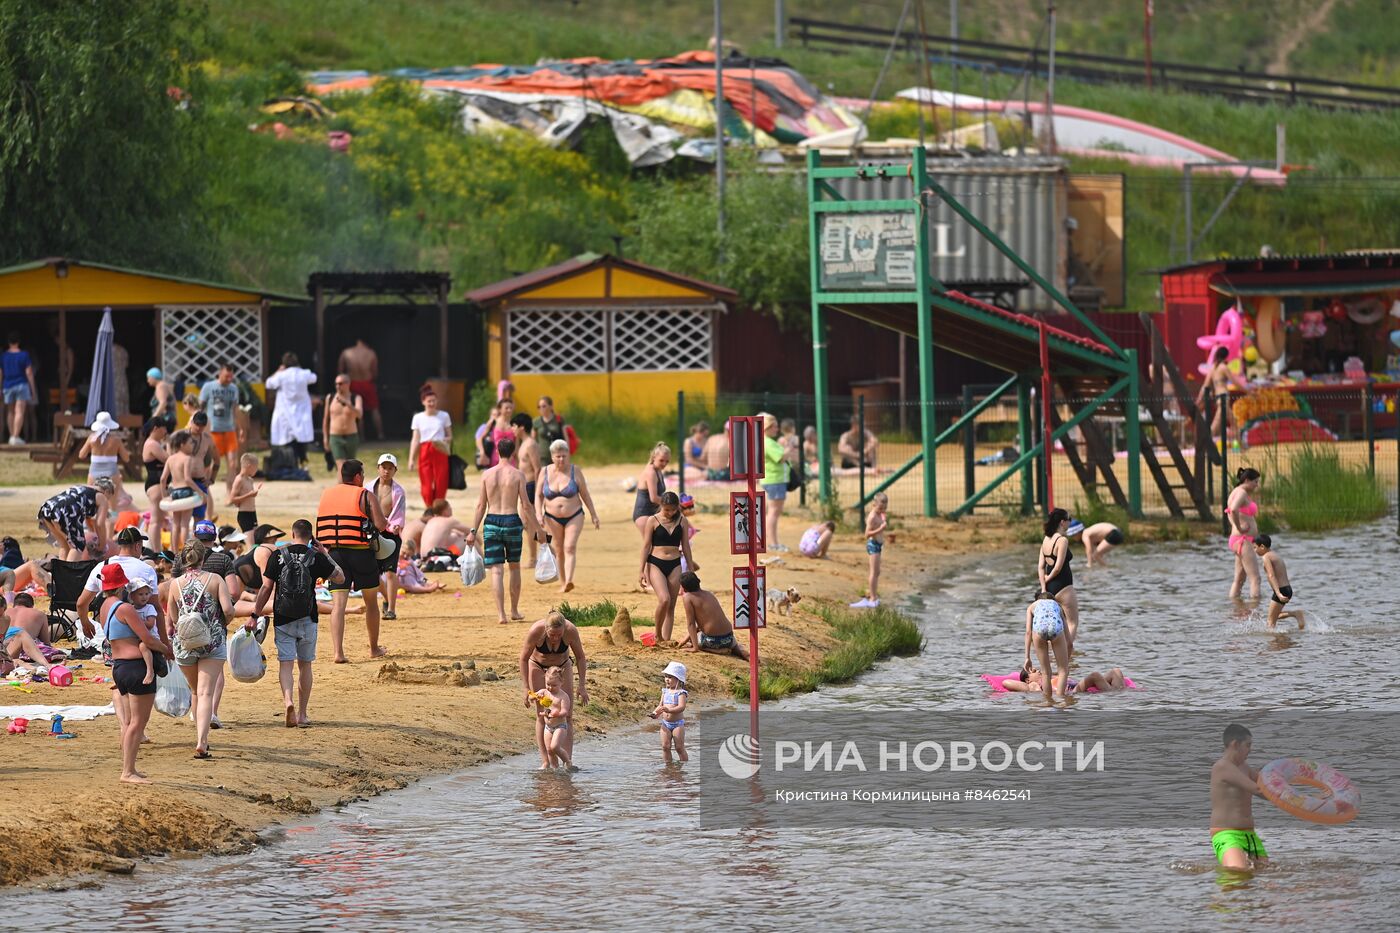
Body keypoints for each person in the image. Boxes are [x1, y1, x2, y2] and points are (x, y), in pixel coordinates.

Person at [249, 519, 344, 728]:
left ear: (292, 535)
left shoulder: (278, 555)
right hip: (308, 617)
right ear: (310, 537)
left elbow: (265, 588)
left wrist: (254, 616)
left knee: (286, 664)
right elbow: (340, 578)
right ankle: (302, 714)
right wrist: (325, 553)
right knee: (305, 665)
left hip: (283, 617)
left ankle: (288, 701)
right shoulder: (316, 556)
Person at [97, 568, 172, 784]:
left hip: (119, 666)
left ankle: (130, 768)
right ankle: (127, 771)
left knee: (130, 722)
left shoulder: (104, 607)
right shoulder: (126, 608)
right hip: (136, 667)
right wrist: (167, 650)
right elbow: (147, 639)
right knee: (138, 723)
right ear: (121, 587)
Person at [316, 459, 389, 663]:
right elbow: (381, 525)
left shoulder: (326, 494)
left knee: (338, 606)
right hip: (361, 553)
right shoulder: (365, 494)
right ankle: (374, 649)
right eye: (363, 476)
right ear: (357, 476)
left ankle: (338, 653)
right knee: (371, 603)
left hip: (335, 555)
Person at [167, 540, 235, 759]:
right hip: (211, 640)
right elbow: (228, 609)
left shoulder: (175, 584)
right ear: (203, 558)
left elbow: (172, 618)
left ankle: (199, 737)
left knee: (196, 691)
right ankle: (202, 742)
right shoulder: (215, 579)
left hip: (184, 644)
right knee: (206, 692)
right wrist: (222, 623)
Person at [468, 437, 545, 625]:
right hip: (512, 521)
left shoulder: (487, 474)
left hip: (492, 521)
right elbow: (526, 506)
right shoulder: (518, 475)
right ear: (513, 453)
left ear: (497, 450)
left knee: (496, 571)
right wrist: (538, 529)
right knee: (514, 566)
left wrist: (472, 530)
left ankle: (501, 614)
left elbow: (480, 505)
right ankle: (514, 610)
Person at [75, 525, 163, 654]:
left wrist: (85, 623)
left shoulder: (101, 567)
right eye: (142, 548)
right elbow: (156, 608)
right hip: (139, 641)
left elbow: (81, 603)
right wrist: (165, 644)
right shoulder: (146, 569)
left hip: (112, 642)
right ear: (137, 546)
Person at [519, 611, 588, 765]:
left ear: (564, 628)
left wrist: (582, 686)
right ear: (546, 629)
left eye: (559, 634)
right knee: (542, 715)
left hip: (562, 667)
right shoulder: (536, 631)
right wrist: (525, 688)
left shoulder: (571, 631)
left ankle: (567, 761)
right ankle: (545, 762)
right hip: (537, 665)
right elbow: (523, 658)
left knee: (568, 715)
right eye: (552, 635)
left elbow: (581, 657)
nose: (556, 638)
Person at [535, 438, 600, 594]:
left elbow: (585, 494)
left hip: (574, 514)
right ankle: (563, 582)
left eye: (564, 455)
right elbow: (538, 495)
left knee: (569, 546)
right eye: (558, 456)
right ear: (552, 457)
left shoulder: (575, 471)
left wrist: (593, 514)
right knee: (558, 548)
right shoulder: (545, 472)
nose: (561, 459)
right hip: (551, 516)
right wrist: (538, 513)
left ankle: (569, 580)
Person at [639, 492, 696, 644]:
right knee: (664, 600)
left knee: (671, 605)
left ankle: (666, 640)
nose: (670, 513)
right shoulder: (652, 520)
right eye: (667, 510)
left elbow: (685, 546)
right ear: (661, 507)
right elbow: (646, 546)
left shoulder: (682, 520)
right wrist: (641, 570)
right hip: (655, 562)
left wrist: (690, 568)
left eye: (673, 510)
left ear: (678, 507)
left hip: (675, 563)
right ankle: (658, 635)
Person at [1210, 723, 1269, 871]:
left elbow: (1269, 790)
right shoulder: (1222, 766)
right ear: (1235, 744)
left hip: (1249, 835)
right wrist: (1289, 798)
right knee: (1238, 871)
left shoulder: (1245, 767)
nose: (1250, 750)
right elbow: (1257, 788)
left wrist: (1304, 801)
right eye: (1248, 745)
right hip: (1227, 834)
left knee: (1266, 873)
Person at [38, 476, 114, 561]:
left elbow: (89, 520)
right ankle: (70, 573)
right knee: (77, 546)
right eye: (110, 497)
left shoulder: (83, 489)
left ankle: (59, 573)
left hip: (48, 508)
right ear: (107, 491)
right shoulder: (102, 497)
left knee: (65, 545)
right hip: (67, 510)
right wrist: (102, 546)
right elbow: (100, 524)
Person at [370, 453, 407, 620]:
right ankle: (385, 598)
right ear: (378, 468)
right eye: (384, 467)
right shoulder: (369, 488)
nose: (386, 471)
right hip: (372, 532)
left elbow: (399, 513)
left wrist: (394, 526)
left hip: (391, 532)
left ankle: (391, 609)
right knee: (373, 572)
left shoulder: (398, 491)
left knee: (390, 572)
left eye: (390, 468)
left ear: (395, 470)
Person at [1037, 508, 1080, 651]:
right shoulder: (1062, 540)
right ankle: (1067, 654)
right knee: (1072, 622)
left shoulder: (1046, 539)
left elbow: (1041, 567)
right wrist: (1049, 577)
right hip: (1064, 587)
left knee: (1057, 623)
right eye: (1069, 520)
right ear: (1062, 522)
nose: (1070, 523)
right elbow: (1058, 567)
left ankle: (1053, 652)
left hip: (1049, 589)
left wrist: (1044, 587)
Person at [677, 572, 748, 659]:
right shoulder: (709, 594)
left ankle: (715, 650)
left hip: (713, 641)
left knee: (693, 639)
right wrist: (685, 639)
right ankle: (738, 650)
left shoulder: (688, 597)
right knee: (732, 644)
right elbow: (703, 624)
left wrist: (694, 647)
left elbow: (691, 624)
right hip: (729, 638)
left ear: (683, 587)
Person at [158, 430, 208, 552]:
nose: (192, 445)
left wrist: (164, 495)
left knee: (175, 524)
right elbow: (188, 479)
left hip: (175, 492)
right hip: (186, 492)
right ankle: (186, 552)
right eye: (190, 443)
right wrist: (201, 493)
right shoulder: (187, 458)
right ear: (182, 444)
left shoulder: (170, 459)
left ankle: (175, 552)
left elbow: (163, 479)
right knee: (185, 524)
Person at [266, 353, 318, 466]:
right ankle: (302, 458)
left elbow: (269, 384)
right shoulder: (303, 374)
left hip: (285, 412)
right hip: (301, 411)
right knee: (300, 437)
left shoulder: (282, 375)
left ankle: (291, 461)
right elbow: (314, 378)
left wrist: (278, 371)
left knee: (287, 438)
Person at [199, 363, 242, 492]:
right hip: (213, 430)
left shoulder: (234, 388)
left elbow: (235, 410)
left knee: (233, 464)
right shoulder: (209, 387)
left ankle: (230, 493)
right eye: (226, 376)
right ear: (220, 373)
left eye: (231, 376)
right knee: (212, 463)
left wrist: (240, 428)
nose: (229, 379)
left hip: (229, 429)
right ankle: (205, 491)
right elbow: (200, 407)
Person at [1022, 589, 1071, 702]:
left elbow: (1028, 632)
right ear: (1052, 599)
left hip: (1039, 630)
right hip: (1056, 628)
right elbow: (1069, 641)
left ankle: (1048, 703)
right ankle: (1061, 702)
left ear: (1038, 599)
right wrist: (1066, 659)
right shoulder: (1057, 606)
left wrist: (1027, 657)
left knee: (1045, 672)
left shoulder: (1032, 606)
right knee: (1063, 671)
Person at [407, 387, 452, 507]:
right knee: (426, 483)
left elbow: (450, 436)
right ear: (423, 402)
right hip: (425, 450)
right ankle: (429, 507)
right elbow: (415, 439)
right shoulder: (418, 418)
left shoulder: (444, 416)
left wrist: (444, 441)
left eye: (434, 401)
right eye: (429, 401)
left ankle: (439, 507)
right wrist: (411, 459)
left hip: (440, 448)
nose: (431, 403)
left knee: (441, 481)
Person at [1196, 347, 1247, 444]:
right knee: (1217, 423)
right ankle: (1205, 443)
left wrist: (1199, 399)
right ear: (1225, 356)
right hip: (1224, 397)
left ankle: (1241, 444)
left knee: (1233, 421)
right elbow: (1234, 381)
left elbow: (1205, 385)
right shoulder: (1223, 367)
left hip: (1218, 398)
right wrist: (1246, 390)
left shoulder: (1213, 369)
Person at [1254, 535, 1304, 630]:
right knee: (1274, 616)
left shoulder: (1266, 557)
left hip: (1281, 591)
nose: (1255, 550)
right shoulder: (1274, 554)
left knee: (1270, 623)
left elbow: (1271, 575)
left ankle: (1273, 643)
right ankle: (1296, 614)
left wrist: (1278, 593)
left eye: (1255, 547)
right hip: (1287, 589)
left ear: (1262, 547)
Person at [1226, 468, 1263, 599]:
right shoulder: (1241, 493)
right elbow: (1234, 510)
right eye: (1255, 482)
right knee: (1255, 578)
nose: (1257, 485)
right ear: (1247, 480)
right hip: (1243, 540)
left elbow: (1229, 511)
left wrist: (1235, 527)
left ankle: (1235, 608)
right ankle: (1256, 613)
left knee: (1239, 579)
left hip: (1237, 539)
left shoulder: (1235, 492)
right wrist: (1240, 528)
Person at [511, 412, 541, 568]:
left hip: (531, 485)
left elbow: (537, 468)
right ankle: (549, 552)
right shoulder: (523, 443)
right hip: (524, 486)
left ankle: (534, 558)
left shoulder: (531, 444)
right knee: (527, 524)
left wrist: (537, 491)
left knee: (531, 524)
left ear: (521, 427)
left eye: (514, 426)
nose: (512, 429)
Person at [79, 411, 130, 504]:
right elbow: (126, 458)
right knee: (112, 503)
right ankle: (113, 516)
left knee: (91, 500)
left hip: (94, 471)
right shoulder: (116, 440)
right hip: (112, 471)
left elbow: (81, 455)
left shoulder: (92, 438)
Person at [338, 338, 383, 440]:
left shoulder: (346, 353)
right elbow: (375, 372)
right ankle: (380, 434)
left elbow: (340, 372)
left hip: (352, 382)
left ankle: (360, 436)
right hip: (367, 383)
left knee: (356, 409)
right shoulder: (371, 353)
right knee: (374, 409)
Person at [531, 666, 573, 769]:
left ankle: (567, 761)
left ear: (561, 682)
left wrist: (557, 713)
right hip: (548, 727)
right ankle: (555, 770)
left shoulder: (563, 696)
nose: (550, 687)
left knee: (555, 747)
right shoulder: (544, 692)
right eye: (548, 684)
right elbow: (531, 697)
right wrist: (535, 696)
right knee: (549, 750)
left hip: (560, 726)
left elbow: (565, 712)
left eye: (554, 685)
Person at [322, 373, 363, 477]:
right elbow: (326, 419)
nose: (337, 386)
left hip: (351, 436)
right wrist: (325, 438)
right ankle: (340, 491)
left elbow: (359, 414)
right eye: (336, 384)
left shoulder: (356, 398)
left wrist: (348, 404)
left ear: (348, 384)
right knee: (341, 466)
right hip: (335, 437)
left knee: (350, 467)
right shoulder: (330, 397)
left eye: (340, 383)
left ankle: (348, 490)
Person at [852, 492, 888, 609]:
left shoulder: (880, 514)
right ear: (874, 504)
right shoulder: (872, 516)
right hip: (873, 545)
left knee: (877, 572)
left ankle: (874, 595)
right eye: (880, 508)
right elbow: (867, 534)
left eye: (884, 508)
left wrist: (883, 517)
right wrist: (880, 528)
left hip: (878, 545)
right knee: (873, 572)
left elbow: (882, 517)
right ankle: (872, 598)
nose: (882, 510)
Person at [761, 413, 790, 552]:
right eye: (775, 426)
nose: (777, 429)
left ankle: (773, 542)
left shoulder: (767, 441)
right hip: (775, 480)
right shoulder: (768, 442)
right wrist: (789, 448)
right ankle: (773, 543)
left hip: (774, 480)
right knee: (773, 512)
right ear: (767, 427)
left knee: (772, 512)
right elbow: (780, 458)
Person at [649, 660, 689, 763]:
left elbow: (681, 707)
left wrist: (669, 710)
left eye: (670, 677)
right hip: (665, 724)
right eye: (666, 676)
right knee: (665, 746)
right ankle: (668, 767)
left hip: (677, 725)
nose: (667, 679)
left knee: (679, 747)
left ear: (679, 679)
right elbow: (661, 705)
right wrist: (655, 713)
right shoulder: (665, 691)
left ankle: (684, 766)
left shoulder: (681, 693)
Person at [141, 418, 171, 545]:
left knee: (159, 519)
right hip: (155, 484)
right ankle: (156, 550)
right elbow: (169, 460)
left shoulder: (154, 443)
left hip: (156, 483)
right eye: (164, 428)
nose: (165, 432)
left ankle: (157, 548)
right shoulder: (152, 444)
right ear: (156, 429)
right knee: (156, 520)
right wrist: (169, 444)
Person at [2, 332, 36, 445]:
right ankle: (16, 436)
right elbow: (29, 372)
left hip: (7, 385)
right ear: (19, 342)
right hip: (21, 384)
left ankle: (12, 436)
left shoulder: (4, 356)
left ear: (8, 342)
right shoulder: (24, 355)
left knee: (10, 411)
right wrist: (33, 389)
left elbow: (0, 373)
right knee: (19, 411)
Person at [632, 443, 670, 538]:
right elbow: (653, 498)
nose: (664, 464)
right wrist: (673, 504)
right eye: (661, 460)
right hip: (644, 514)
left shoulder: (658, 470)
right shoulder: (651, 472)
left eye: (667, 461)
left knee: (659, 547)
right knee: (651, 548)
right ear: (654, 458)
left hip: (654, 513)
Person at [186, 411, 216, 521]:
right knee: (182, 519)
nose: (199, 428)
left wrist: (211, 479)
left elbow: (217, 460)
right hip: (183, 482)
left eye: (202, 426)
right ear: (192, 422)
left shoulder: (207, 439)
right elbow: (171, 459)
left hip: (200, 481)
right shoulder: (181, 436)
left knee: (199, 517)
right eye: (197, 425)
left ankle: (197, 538)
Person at [228, 453, 262, 534]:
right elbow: (232, 499)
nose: (257, 470)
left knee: (256, 540)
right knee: (251, 543)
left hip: (253, 513)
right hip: (244, 514)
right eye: (256, 467)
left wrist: (253, 493)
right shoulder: (239, 479)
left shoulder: (250, 480)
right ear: (249, 466)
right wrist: (249, 495)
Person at [474, 401, 500, 469]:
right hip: (487, 456)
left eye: (498, 415)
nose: (495, 417)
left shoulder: (501, 429)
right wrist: (482, 452)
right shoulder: (483, 427)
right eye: (494, 415)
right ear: (490, 415)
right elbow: (478, 440)